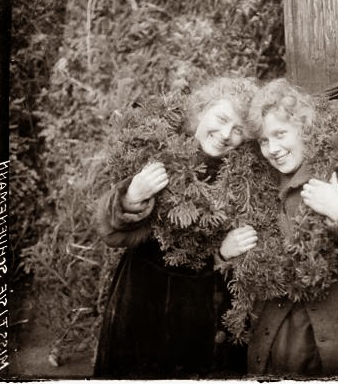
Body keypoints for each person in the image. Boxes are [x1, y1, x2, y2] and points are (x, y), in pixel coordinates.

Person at [222, 78, 338, 378]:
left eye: (280, 134)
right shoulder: (256, 186)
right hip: (269, 351)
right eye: (264, 141)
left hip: (329, 353)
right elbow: (242, 276)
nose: (273, 149)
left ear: (304, 127)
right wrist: (225, 251)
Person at [93, 77, 259, 379]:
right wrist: (132, 196)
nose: (225, 134)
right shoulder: (160, 153)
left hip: (201, 313)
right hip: (146, 303)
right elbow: (110, 232)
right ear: (202, 111)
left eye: (238, 130)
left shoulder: (243, 179)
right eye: (221, 119)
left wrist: (221, 253)